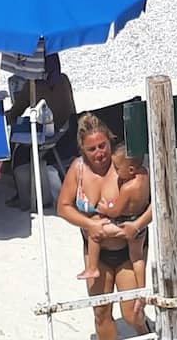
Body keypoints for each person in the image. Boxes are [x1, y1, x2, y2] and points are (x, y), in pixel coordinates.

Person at [57, 115, 149, 340]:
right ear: (82, 150)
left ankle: (146, 332)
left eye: (102, 146)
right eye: (91, 149)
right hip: (96, 255)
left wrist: (137, 225)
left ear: (110, 141)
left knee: (132, 314)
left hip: (128, 251)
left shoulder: (125, 167)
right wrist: (89, 223)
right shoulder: (78, 170)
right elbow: (63, 207)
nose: (99, 153)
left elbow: (156, 202)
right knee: (101, 313)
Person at [77, 142, 152, 323]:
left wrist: (104, 208)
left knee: (95, 230)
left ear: (131, 169)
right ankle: (141, 292)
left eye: (118, 168)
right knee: (138, 260)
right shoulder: (145, 175)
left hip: (125, 222)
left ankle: (92, 267)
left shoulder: (127, 188)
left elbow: (116, 211)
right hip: (138, 226)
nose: (116, 172)